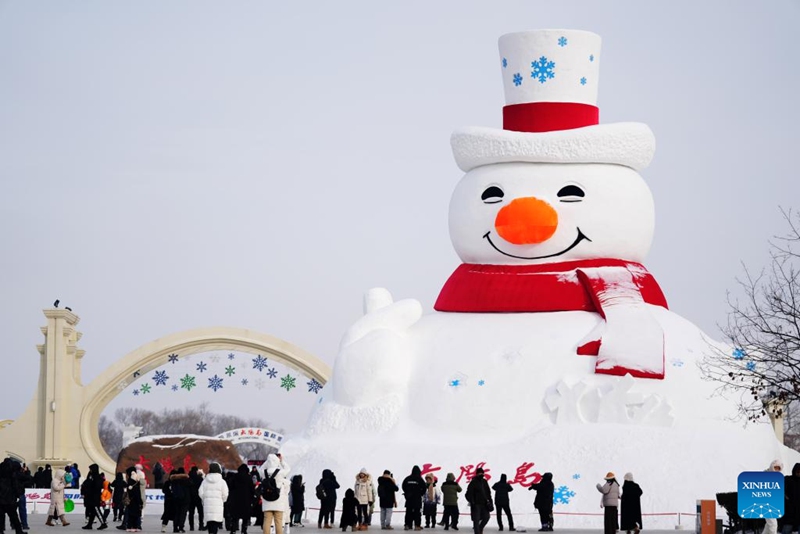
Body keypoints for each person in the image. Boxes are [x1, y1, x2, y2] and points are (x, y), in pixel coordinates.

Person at [261, 453, 291, 534]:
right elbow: (288, 469)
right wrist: (281, 461)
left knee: (267, 520)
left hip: (267, 500)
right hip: (278, 500)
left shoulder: (264, 472)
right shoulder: (280, 472)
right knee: (278, 521)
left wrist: (268, 461)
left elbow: (261, 468)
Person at [199, 463, 229, 534]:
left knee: (210, 523)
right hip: (218, 506)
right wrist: (223, 500)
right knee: (215, 524)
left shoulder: (205, 481)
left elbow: (200, 492)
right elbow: (225, 493)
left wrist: (205, 499)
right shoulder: (222, 482)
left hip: (208, 506)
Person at [81, 463, 108, 530]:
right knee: (92, 512)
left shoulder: (97, 477)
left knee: (97, 510)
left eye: (91, 469)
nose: (90, 471)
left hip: (95, 497)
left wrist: (89, 489)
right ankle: (89, 525)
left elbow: (96, 487)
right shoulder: (91, 476)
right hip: (91, 497)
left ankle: (103, 523)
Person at [464, 468, 491, 534]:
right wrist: (472, 501)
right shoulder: (473, 482)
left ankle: (480, 528)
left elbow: (488, 492)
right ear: (477, 474)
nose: (481, 474)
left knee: (486, 517)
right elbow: (468, 494)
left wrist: (490, 501)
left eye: (482, 473)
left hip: (484, 504)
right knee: (476, 520)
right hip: (476, 505)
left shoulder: (485, 481)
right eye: (480, 473)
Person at [231, 464, 256, 534]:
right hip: (246, 500)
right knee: (245, 516)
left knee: (235, 516)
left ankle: (233, 529)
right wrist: (252, 498)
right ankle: (243, 530)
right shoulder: (249, 478)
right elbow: (252, 490)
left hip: (235, 499)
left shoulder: (234, 477)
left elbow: (231, 487)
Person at [401, 466, 426, 532]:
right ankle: (417, 525)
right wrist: (420, 493)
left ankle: (407, 525)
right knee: (417, 512)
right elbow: (424, 487)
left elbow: (403, 486)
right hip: (417, 498)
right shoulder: (419, 479)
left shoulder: (407, 478)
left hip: (409, 498)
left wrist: (407, 492)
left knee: (408, 511)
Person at [126, 467, 144, 533]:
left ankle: (129, 526)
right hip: (135, 501)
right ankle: (134, 526)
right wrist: (140, 502)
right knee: (135, 515)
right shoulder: (135, 483)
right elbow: (137, 493)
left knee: (130, 514)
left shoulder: (129, 481)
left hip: (130, 501)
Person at [784, 463, 800, 534]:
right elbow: (776, 483)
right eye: (797, 471)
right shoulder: (788, 479)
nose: (799, 473)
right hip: (789, 515)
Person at [188, 466, 206, 532]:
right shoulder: (199, 478)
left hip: (191, 498)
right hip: (198, 497)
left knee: (191, 513)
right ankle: (201, 525)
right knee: (200, 512)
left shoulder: (188, 478)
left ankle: (191, 526)